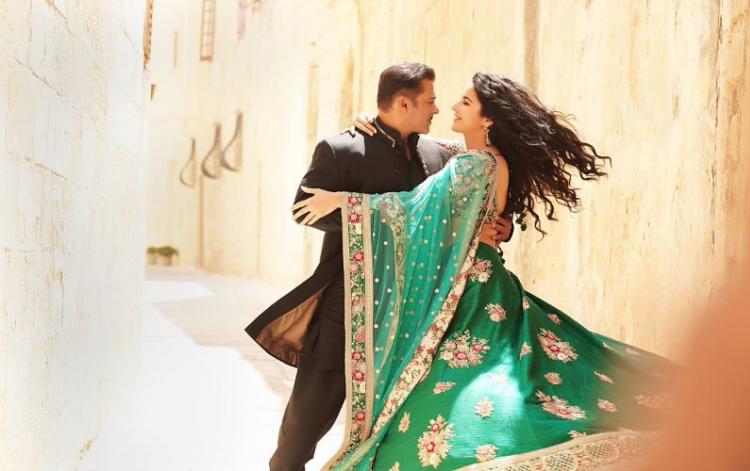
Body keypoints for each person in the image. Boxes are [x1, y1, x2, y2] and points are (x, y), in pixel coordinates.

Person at [293, 72, 676, 470]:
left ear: (488, 118)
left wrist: (344, 203)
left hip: (471, 288)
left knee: (463, 384)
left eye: (465, 102)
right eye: (443, 100)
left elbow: (417, 211)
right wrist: (371, 123)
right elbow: (424, 157)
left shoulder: (473, 164)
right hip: (483, 278)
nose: (448, 107)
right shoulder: (481, 158)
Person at [244, 63, 514, 471]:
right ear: (404, 103)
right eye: (430, 101)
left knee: (397, 409)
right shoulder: (343, 149)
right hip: (351, 298)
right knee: (313, 405)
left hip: (416, 304)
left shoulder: (439, 154)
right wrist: (367, 222)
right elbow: (304, 211)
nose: (437, 109)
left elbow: (477, 193)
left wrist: (504, 225)